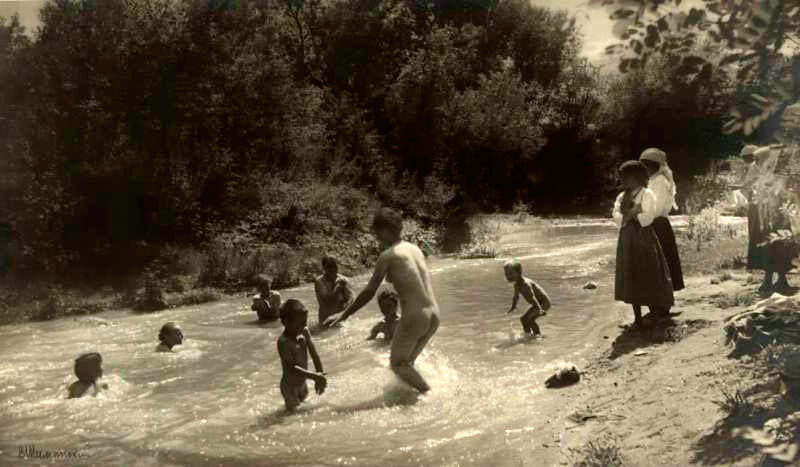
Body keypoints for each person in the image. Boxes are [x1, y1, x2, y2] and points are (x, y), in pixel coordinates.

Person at [325, 208, 440, 394]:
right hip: (434, 314)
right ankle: (413, 394)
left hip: (415, 317)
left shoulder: (387, 256)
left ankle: (430, 395)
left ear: (385, 230)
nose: (377, 237)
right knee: (407, 363)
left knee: (397, 365)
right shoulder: (415, 249)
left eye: (377, 232)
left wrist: (344, 315)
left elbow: (369, 292)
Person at [613, 160, 674, 328]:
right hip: (627, 238)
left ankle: (654, 313)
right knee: (631, 273)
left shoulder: (647, 194)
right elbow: (617, 218)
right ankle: (637, 317)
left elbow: (647, 219)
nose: (624, 181)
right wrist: (632, 213)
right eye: (623, 178)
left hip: (643, 238)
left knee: (647, 272)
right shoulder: (621, 196)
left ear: (638, 178)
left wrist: (631, 214)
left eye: (627, 177)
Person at [739, 145, 796, 293]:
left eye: (758, 159)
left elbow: (784, 191)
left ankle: (782, 279)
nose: (755, 161)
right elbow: (747, 190)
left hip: (776, 213)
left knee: (780, 243)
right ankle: (768, 279)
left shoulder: (776, 172)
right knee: (766, 244)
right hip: (761, 213)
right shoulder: (755, 170)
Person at [639, 148, 685, 311]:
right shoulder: (652, 180)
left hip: (658, 225)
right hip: (653, 224)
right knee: (655, 265)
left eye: (645, 165)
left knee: (662, 264)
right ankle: (658, 303)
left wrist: (639, 214)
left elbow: (656, 209)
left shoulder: (659, 182)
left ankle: (663, 305)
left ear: (653, 166)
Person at [277, 299, 326, 411]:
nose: (304, 326)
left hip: (302, 384)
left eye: (305, 322)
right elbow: (292, 368)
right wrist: (314, 376)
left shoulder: (304, 332)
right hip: (289, 387)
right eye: (300, 323)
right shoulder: (283, 342)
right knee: (292, 415)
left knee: (304, 413)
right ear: (286, 322)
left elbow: (314, 354)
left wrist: (319, 374)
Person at [503, 259, 551, 337]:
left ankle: (538, 336)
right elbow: (516, 296)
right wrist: (513, 306)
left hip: (543, 303)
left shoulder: (525, 284)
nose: (508, 276)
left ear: (518, 273)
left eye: (511, 273)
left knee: (530, 319)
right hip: (536, 304)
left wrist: (540, 309)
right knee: (523, 319)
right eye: (506, 274)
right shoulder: (517, 284)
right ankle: (528, 335)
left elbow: (533, 297)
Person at [314, 256, 353, 326]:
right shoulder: (319, 281)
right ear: (324, 268)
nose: (332, 269)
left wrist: (347, 306)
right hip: (326, 319)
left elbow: (351, 299)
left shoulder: (344, 279)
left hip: (341, 318)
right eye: (329, 267)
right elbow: (327, 301)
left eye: (334, 266)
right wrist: (338, 288)